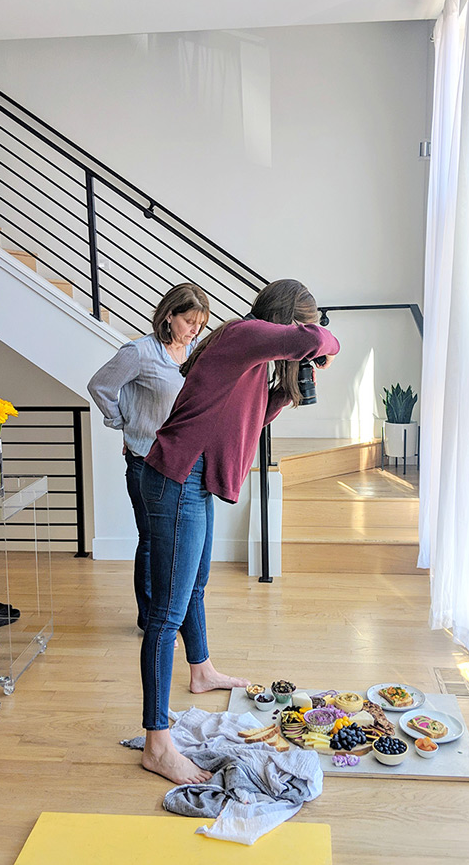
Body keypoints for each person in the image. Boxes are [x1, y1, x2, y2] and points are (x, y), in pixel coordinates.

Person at [138, 278, 339, 785]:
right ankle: (157, 744)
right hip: (175, 478)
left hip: (193, 482)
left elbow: (242, 416)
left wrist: (284, 397)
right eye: (303, 323)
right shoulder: (243, 334)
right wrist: (324, 343)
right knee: (165, 613)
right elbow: (316, 342)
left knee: (195, 585)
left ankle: (201, 670)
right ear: (288, 320)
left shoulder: (248, 356)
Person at [87, 283, 211, 631]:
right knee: (153, 539)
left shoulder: (197, 351)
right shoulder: (140, 352)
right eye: (188, 321)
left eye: (200, 324)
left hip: (186, 461)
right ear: (169, 316)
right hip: (146, 461)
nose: (194, 331)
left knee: (182, 546)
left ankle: (175, 616)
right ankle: (151, 618)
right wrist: (124, 425)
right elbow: (100, 386)